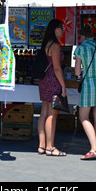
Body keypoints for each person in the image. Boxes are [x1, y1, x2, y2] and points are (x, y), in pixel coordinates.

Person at [74, 24, 96, 160]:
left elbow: (77, 72)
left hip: (88, 84)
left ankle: (94, 148)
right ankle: (94, 147)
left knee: (83, 117)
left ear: (82, 36)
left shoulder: (81, 48)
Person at [37, 19, 67, 157]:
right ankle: (50, 147)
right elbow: (56, 68)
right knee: (52, 114)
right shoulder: (55, 46)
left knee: (44, 112)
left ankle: (42, 145)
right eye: (61, 27)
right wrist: (63, 85)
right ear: (55, 29)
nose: (63, 30)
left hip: (43, 81)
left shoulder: (46, 44)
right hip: (53, 81)